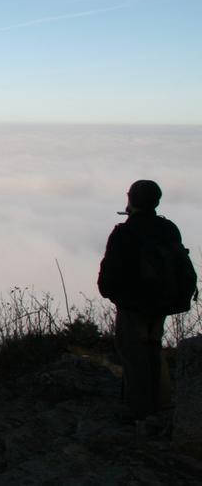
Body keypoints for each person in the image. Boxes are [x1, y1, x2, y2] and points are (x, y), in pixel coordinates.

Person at [97, 180, 185, 424]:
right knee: (154, 351)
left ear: (131, 199)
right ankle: (162, 406)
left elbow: (109, 276)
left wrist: (113, 294)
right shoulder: (168, 228)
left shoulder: (124, 232)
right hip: (162, 303)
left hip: (133, 305)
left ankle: (140, 414)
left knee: (134, 355)